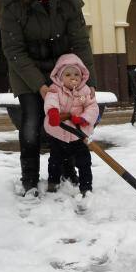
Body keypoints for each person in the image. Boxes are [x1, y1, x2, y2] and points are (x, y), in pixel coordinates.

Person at [0, 0, 97, 196]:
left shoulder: (68, 0)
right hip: (26, 70)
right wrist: (41, 87)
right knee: (32, 121)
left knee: (66, 118)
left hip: (62, 71)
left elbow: (80, 42)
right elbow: (14, 50)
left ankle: (66, 170)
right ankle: (30, 178)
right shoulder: (12, 3)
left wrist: (88, 82)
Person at [43, 53, 99, 195]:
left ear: (82, 77)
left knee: (84, 161)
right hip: (58, 133)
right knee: (55, 160)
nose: (73, 77)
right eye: (68, 74)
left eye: (76, 74)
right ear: (60, 77)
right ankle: (53, 183)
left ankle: (86, 187)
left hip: (78, 134)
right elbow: (50, 100)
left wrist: (84, 119)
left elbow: (92, 107)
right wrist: (53, 112)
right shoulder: (55, 89)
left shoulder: (84, 91)